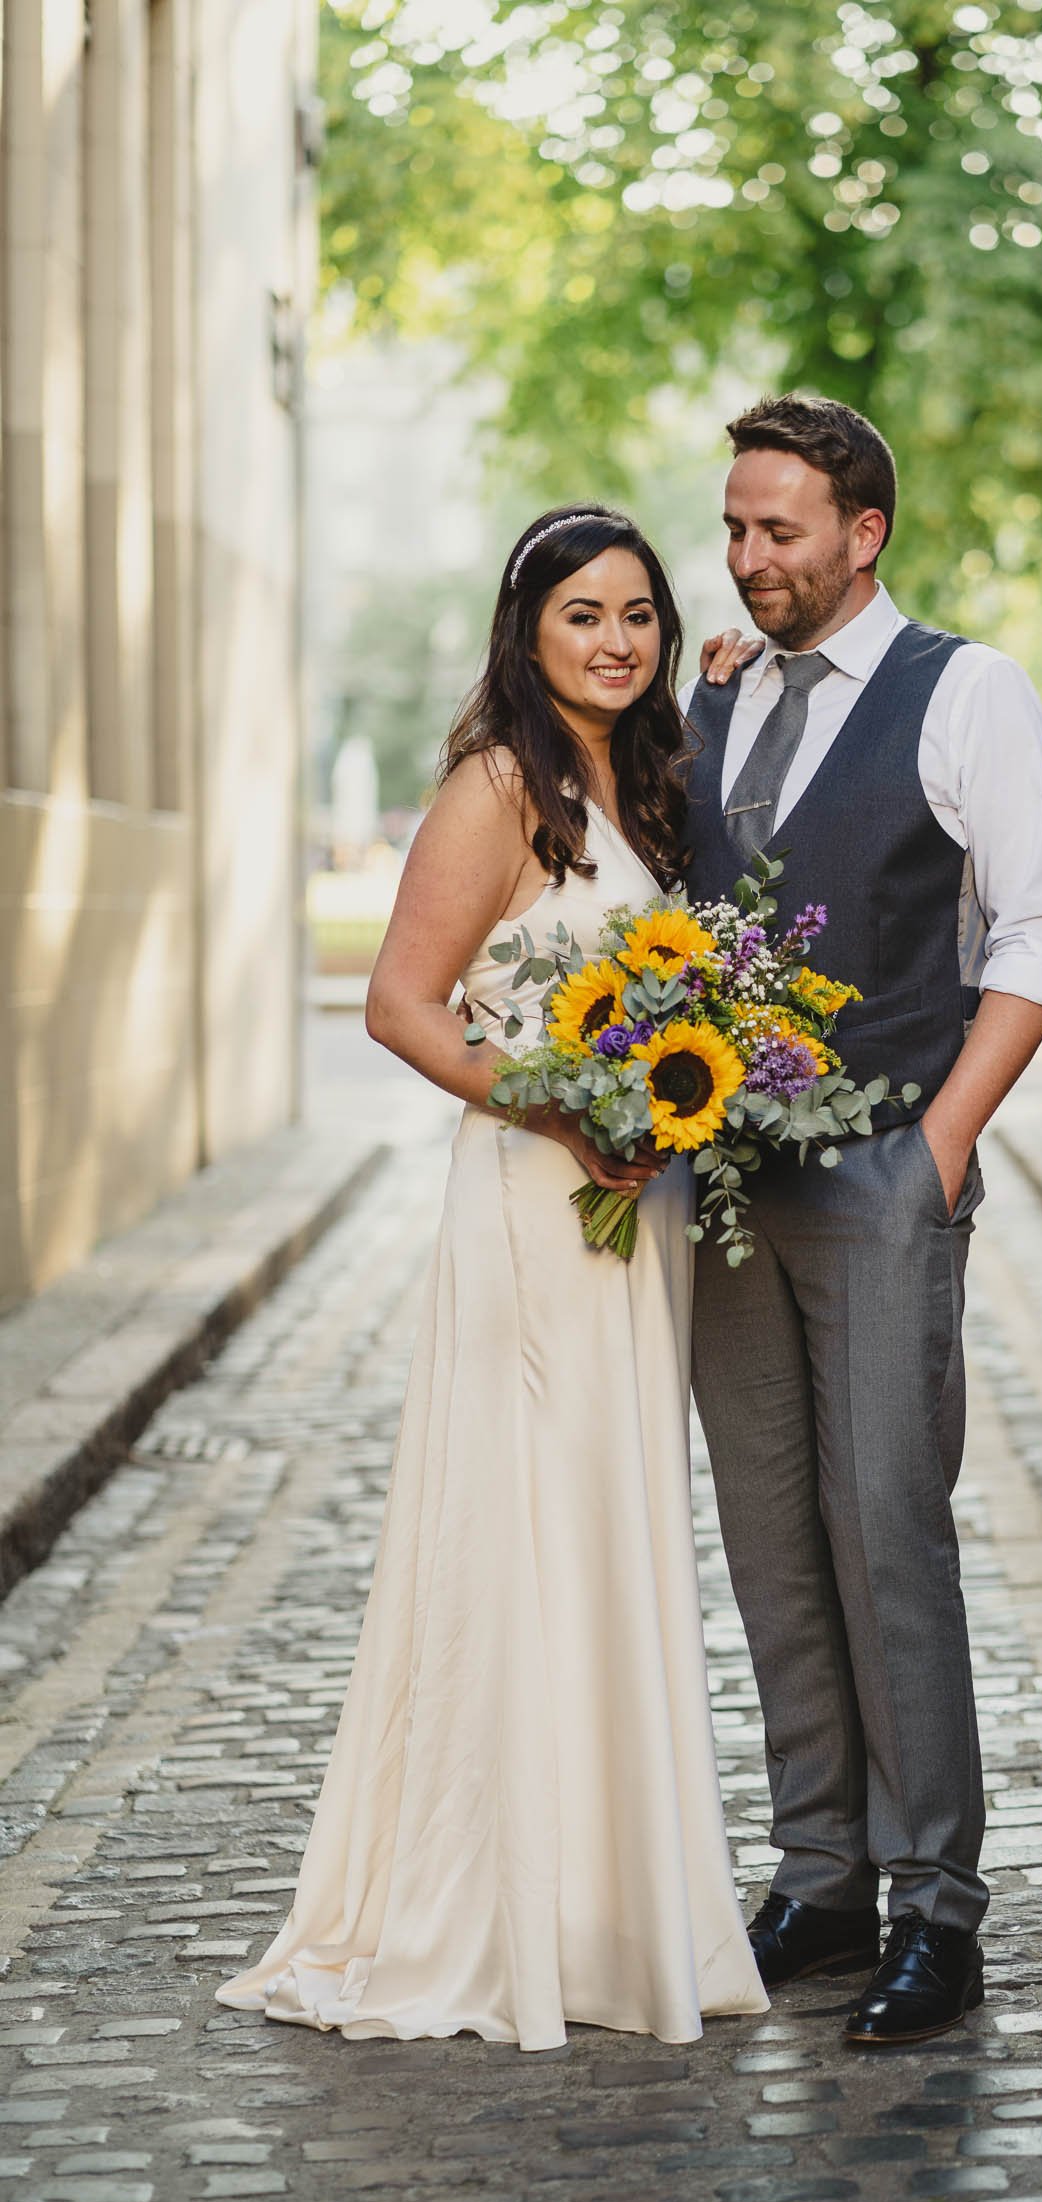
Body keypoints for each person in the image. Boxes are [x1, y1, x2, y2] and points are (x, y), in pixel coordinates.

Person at [217, 507, 767, 2048]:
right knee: (526, 1527)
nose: (615, 640)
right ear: (528, 628)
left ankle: (609, 1905)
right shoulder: (500, 785)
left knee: (610, 1525)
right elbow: (401, 1002)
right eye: (583, 613)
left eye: (639, 614)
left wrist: (726, 693)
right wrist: (561, 1109)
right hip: (537, 1201)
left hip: (638, 1215)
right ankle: (503, 1906)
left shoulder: (643, 781)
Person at [684, 395, 1042, 2046]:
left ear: (865, 533)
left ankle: (937, 1908)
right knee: (773, 1539)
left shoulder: (966, 689)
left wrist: (938, 1147)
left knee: (887, 1532)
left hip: (882, 1173)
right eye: (734, 526)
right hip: (725, 1192)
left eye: (778, 529)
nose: (747, 556)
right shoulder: (716, 695)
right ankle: (821, 1875)